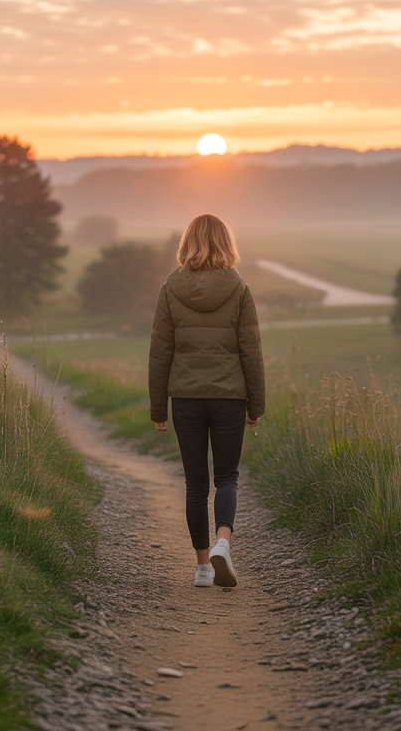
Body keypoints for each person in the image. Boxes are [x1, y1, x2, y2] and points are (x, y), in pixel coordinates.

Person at [148, 214, 265, 588]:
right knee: (227, 477)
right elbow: (251, 350)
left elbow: (159, 352)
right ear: (226, 243)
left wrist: (158, 408)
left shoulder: (170, 288)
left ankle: (202, 568)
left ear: (187, 243)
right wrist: (255, 404)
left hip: (185, 397)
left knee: (195, 483)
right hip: (229, 397)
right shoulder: (239, 288)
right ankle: (223, 543)